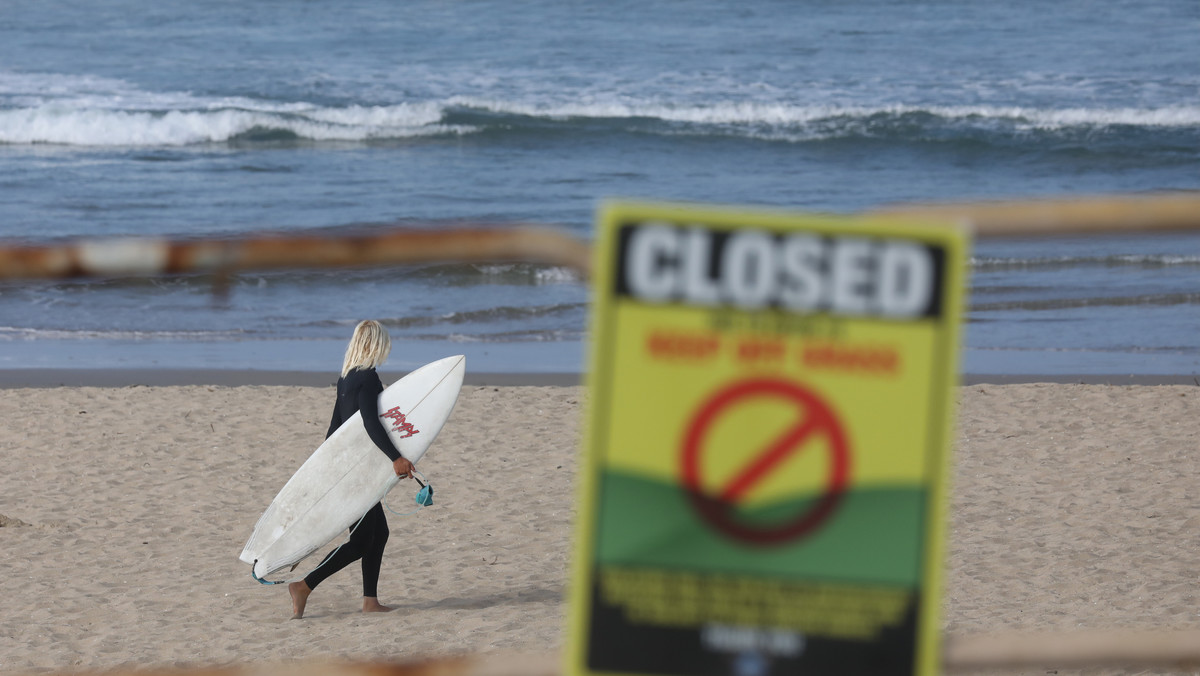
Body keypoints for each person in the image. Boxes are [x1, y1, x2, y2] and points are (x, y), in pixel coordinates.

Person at [288, 319, 415, 619]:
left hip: (347, 468)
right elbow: (371, 423)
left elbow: (335, 428)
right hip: (355, 473)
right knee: (361, 541)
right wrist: (395, 457)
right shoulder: (368, 379)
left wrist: (326, 465)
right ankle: (303, 586)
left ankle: (370, 600)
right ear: (376, 345)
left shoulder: (346, 378)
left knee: (379, 532)